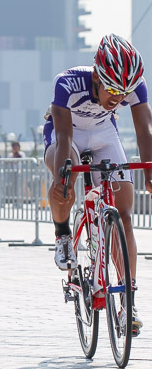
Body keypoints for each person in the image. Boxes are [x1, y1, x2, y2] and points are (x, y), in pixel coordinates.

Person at [44, 33, 152, 336]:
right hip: (68, 134)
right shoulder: (67, 82)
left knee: (126, 216)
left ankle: (127, 300)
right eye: (113, 89)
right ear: (97, 76)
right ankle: (63, 234)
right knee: (66, 178)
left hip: (104, 134)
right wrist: (61, 177)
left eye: (125, 91)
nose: (119, 97)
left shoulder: (130, 86)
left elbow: (145, 130)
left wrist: (150, 173)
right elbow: (64, 138)